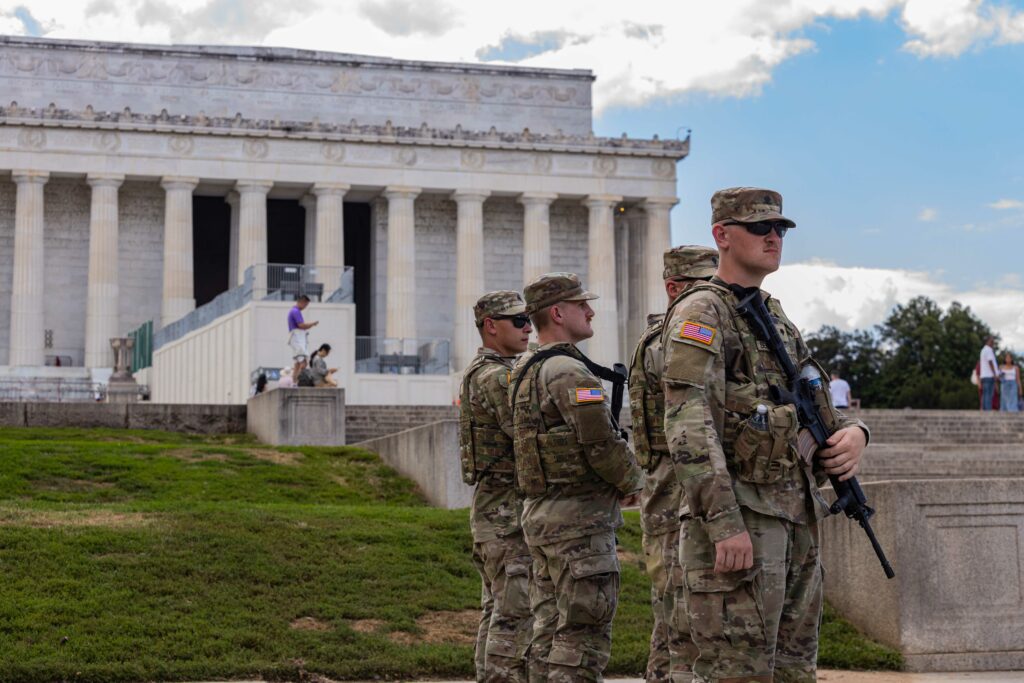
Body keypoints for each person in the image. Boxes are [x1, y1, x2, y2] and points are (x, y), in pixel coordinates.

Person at [662, 187, 869, 682]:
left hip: (795, 520)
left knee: (795, 671)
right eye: (760, 227)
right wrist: (724, 523)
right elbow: (688, 425)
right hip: (743, 523)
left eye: (779, 228)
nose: (773, 237)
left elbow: (815, 403)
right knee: (737, 671)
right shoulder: (701, 313)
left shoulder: (773, 315)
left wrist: (857, 434)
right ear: (722, 235)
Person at [510, 272, 644, 682]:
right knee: (581, 642)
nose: (590, 312)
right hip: (579, 525)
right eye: (581, 304)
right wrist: (634, 483)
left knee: (548, 636)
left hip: (543, 517)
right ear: (557, 313)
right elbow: (600, 443)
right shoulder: (569, 372)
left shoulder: (525, 368)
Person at [628, 245, 718, 683]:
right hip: (672, 489)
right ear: (673, 288)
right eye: (702, 285)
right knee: (680, 611)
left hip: (675, 486)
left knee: (673, 613)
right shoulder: (670, 339)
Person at [459, 291, 535, 682]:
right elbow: (527, 433)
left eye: (529, 320)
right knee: (514, 616)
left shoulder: (492, 371)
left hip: (497, 509)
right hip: (506, 511)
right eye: (518, 321)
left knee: (498, 611)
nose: (528, 328)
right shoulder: (496, 377)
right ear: (491, 326)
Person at [288, 295, 319, 381]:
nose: (305, 307)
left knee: (297, 363)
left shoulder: (294, 311)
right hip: (297, 338)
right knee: (303, 362)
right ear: (302, 302)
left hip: (296, 338)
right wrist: (312, 324)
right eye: (306, 305)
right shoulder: (295, 311)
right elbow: (301, 325)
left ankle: (294, 382)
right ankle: (298, 381)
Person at [979, 336, 1000, 411]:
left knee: (985, 394)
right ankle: (988, 410)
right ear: (988, 341)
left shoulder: (983, 350)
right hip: (989, 375)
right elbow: (990, 361)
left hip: (984, 376)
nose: (993, 343)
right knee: (989, 394)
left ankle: (985, 409)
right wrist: (994, 374)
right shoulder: (988, 350)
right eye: (992, 341)